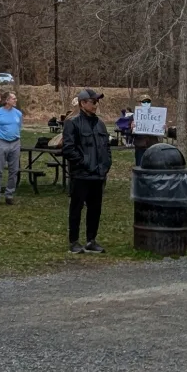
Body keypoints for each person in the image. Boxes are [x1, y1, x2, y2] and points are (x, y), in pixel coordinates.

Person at [62, 89, 112, 254]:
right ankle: (74, 241)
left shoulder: (100, 124)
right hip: (81, 174)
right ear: (83, 103)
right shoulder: (72, 122)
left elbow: (106, 147)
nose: (96, 105)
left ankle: (91, 240)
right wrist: (84, 163)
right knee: (76, 209)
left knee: (95, 209)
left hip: (98, 175)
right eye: (93, 101)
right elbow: (69, 149)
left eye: (97, 101)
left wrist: (105, 165)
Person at [0, 92, 23, 205]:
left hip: (15, 143)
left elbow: (19, 127)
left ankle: (9, 194)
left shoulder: (18, 113)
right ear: (7, 100)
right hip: (1, 142)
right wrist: (0, 138)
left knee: (14, 170)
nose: (16, 100)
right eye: (13, 98)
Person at [130, 96, 160, 166]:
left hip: (153, 147)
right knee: (140, 167)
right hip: (140, 147)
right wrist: (131, 128)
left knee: (152, 167)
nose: (146, 103)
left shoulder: (156, 115)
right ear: (139, 103)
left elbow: (160, 131)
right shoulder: (134, 116)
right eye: (144, 102)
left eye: (148, 102)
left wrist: (163, 128)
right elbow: (129, 134)